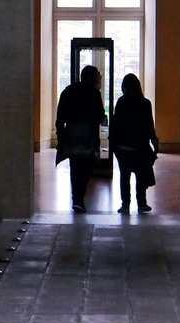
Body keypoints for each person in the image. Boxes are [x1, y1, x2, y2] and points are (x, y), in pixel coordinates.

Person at [55, 64, 106, 213]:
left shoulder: (69, 91)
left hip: (71, 136)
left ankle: (77, 198)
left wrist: (61, 137)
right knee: (85, 168)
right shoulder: (94, 93)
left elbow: (60, 117)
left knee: (75, 167)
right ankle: (79, 197)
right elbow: (100, 115)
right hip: (89, 137)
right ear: (90, 77)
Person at [111, 71, 158, 212]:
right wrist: (155, 143)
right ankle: (141, 203)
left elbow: (116, 124)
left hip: (123, 146)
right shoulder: (145, 103)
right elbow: (150, 125)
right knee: (141, 175)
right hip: (140, 146)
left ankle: (125, 204)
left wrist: (114, 144)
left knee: (124, 175)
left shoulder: (121, 102)